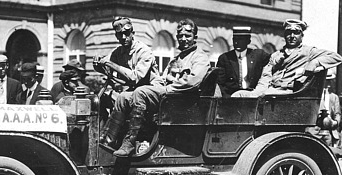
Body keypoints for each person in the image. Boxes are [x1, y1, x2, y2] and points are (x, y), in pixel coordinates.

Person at [112, 18, 210, 157]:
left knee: (140, 93)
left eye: (187, 36)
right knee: (123, 97)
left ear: (195, 37)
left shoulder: (200, 57)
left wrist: (166, 89)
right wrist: (155, 86)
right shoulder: (177, 59)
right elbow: (164, 79)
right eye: (180, 36)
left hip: (182, 101)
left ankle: (129, 142)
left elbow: (191, 82)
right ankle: (109, 138)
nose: (183, 39)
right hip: (169, 97)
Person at [94, 17, 161, 146]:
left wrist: (110, 63)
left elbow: (135, 77)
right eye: (120, 35)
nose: (123, 37)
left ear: (132, 33)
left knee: (123, 97)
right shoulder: (119, 51)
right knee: (103, 98)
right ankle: (103, 136)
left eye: (126, 34)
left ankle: (113, 140)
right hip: (133, 91)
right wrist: (97, 63)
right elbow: (106, 65)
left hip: (150, 92)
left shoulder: (144, 51)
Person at [232, 19, 342, 98]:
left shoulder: (308, 52)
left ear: (302, 36)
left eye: (296, 33)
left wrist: (315, 62)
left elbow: (336, 57)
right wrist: (256, 93)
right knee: (237, 95)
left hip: (289, 93)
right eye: (289, 33)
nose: (292, 36)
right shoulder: (275, 55)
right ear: (284, 35)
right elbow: (265, 78)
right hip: (270, 91)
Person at [216, 26, 270, 97]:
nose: (237, 42)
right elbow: (220, 84)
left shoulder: (258, 55)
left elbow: (274, 60)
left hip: (253, 98)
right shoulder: (225, 58)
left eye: (241, 39)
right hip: (231, 99)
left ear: (248, 41)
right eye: (235, 39)